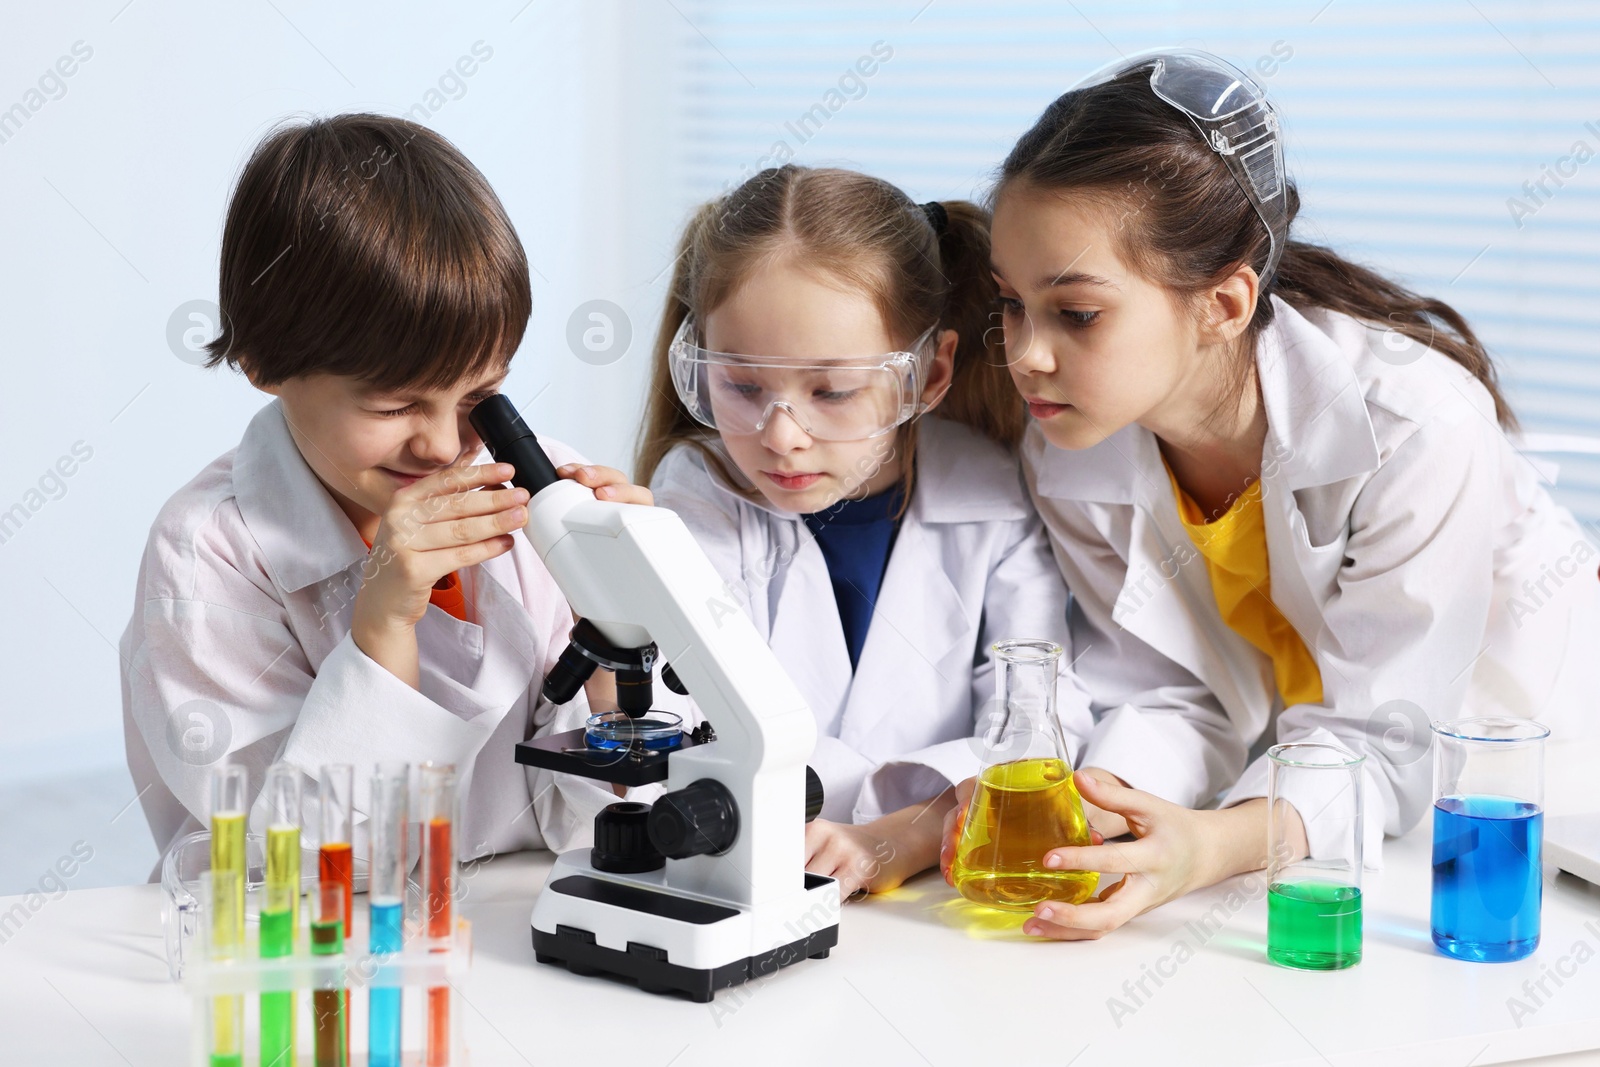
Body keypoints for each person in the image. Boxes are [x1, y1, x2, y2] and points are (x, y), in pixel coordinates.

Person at [971, 50, 1600, 938]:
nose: (1027, 354)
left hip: (1519, 804)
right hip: (1304, 810)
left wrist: (1210, 845)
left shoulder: (1415, 425)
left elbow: (1386, 738)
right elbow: (1172, 692)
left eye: (1075, 314)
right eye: (1009, 304)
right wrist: (1107, 816)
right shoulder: (1073, 447)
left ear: (1224, 305)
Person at [121, 114, 649, 871]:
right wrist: (382, 632)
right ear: (264, 362)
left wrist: (629, 628)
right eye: (395, 406)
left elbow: (605, 821)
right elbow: (306, 866)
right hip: (315, 959)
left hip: (514, 936)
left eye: (480, 397)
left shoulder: (544, 492)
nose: (442, 445)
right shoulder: (206, 554)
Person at [636, 164, 1093, 898]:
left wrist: (905, 834)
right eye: (743, 385)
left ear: (929, 374)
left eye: (834, 391)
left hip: (936, 902)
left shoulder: (993, 500)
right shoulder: (698, 500)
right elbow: (686, 733)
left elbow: (1042, 722)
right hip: (752, 889)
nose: (781, 435)